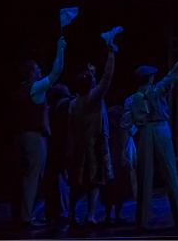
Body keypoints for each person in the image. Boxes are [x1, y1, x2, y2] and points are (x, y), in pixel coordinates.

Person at [120, 25, 178, 229]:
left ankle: (142, 220)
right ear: (151, 77)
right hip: (160, 129)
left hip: (144, 132)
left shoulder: (130, 99)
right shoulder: (158, 89)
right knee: (170, 171)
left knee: (144, 176)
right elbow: (175, 70)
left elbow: (125, 125)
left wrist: (124, 148)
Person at [13, 36, 67, 228]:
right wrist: (60, 48)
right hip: (34, 138)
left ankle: (20, 215)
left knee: (23, 178)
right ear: (31, 73)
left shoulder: (19, 90)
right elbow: (55, 73)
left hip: (19, 137)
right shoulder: (34, 88)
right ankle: (26, 218)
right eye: (37, 69)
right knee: (32, 178)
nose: (40, 71)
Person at [68, 42, 118, 226]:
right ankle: (90, 215)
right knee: (95, 181)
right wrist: (111, 54)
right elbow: (107, 78)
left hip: (79, 146)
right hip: (93, 146)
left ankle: (72, 214)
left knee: (78, 182)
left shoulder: (74, 103)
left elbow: (71, 128)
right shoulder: (93, 97)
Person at [102, 103, 136, 225]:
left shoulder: (108, 125)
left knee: (110, 187)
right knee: (118, 187)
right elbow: (129, 134)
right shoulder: (122, 125)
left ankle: (109, 215)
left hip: (111, 158)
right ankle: (116, 215)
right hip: (119, 158)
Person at [44, 84, 73, 228]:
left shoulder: (51, 108)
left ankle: (54, 212)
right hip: (62, 146)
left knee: (55, 179)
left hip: (53, 146)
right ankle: (63, 211)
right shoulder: (65, 106)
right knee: (62, 178)